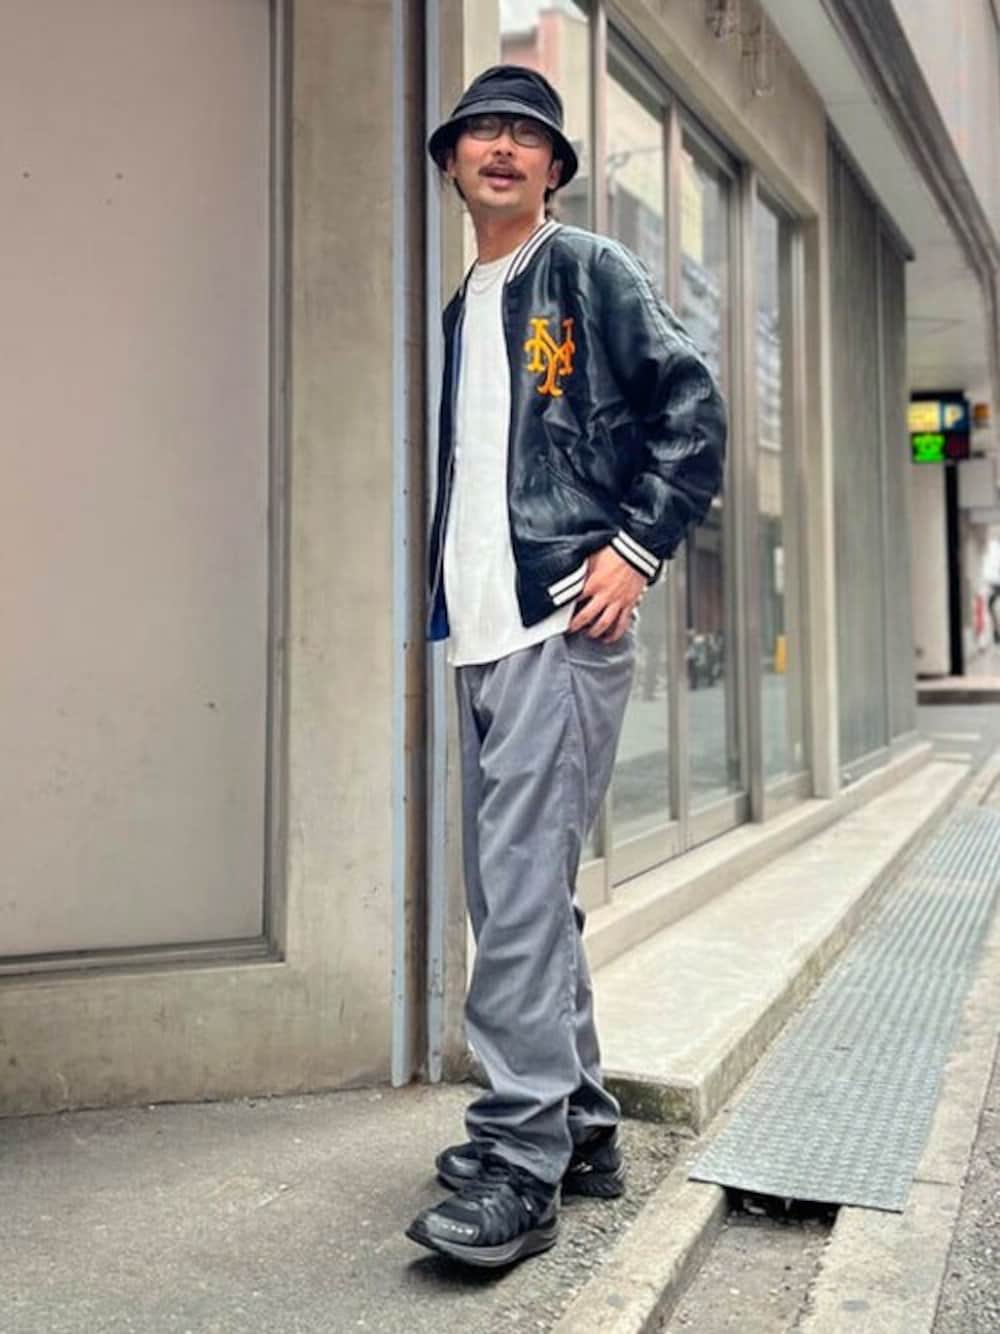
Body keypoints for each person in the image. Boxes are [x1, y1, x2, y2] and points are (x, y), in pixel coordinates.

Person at [406, 65, 727, 1269]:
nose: (501, 147)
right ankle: (581, 1124)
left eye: (525, 134)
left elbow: (690, 407)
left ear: (552, 168)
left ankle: (519, 1159)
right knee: (516, 895)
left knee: (520, 895)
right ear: (451, 163)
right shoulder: (464, 304)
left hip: (559, 622)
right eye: (480, 131)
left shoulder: (586, 269)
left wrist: (634, 550)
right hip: (481, 630)